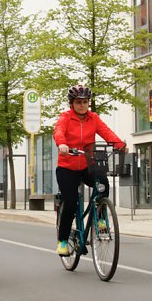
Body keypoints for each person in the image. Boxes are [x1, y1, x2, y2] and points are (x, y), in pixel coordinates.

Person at [53, 85, 125, 256]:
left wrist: (119, 145)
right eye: (78, 102)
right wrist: (62, 144)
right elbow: (58, 131)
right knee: (71, 203)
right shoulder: (65, 118)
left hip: (87, 164)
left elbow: (106, 132)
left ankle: (100, 219)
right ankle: (63, 241)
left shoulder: (93, 118)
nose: (82, 105)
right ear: (72, 103)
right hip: (67, 167)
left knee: (103, 185)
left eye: (85, 102)